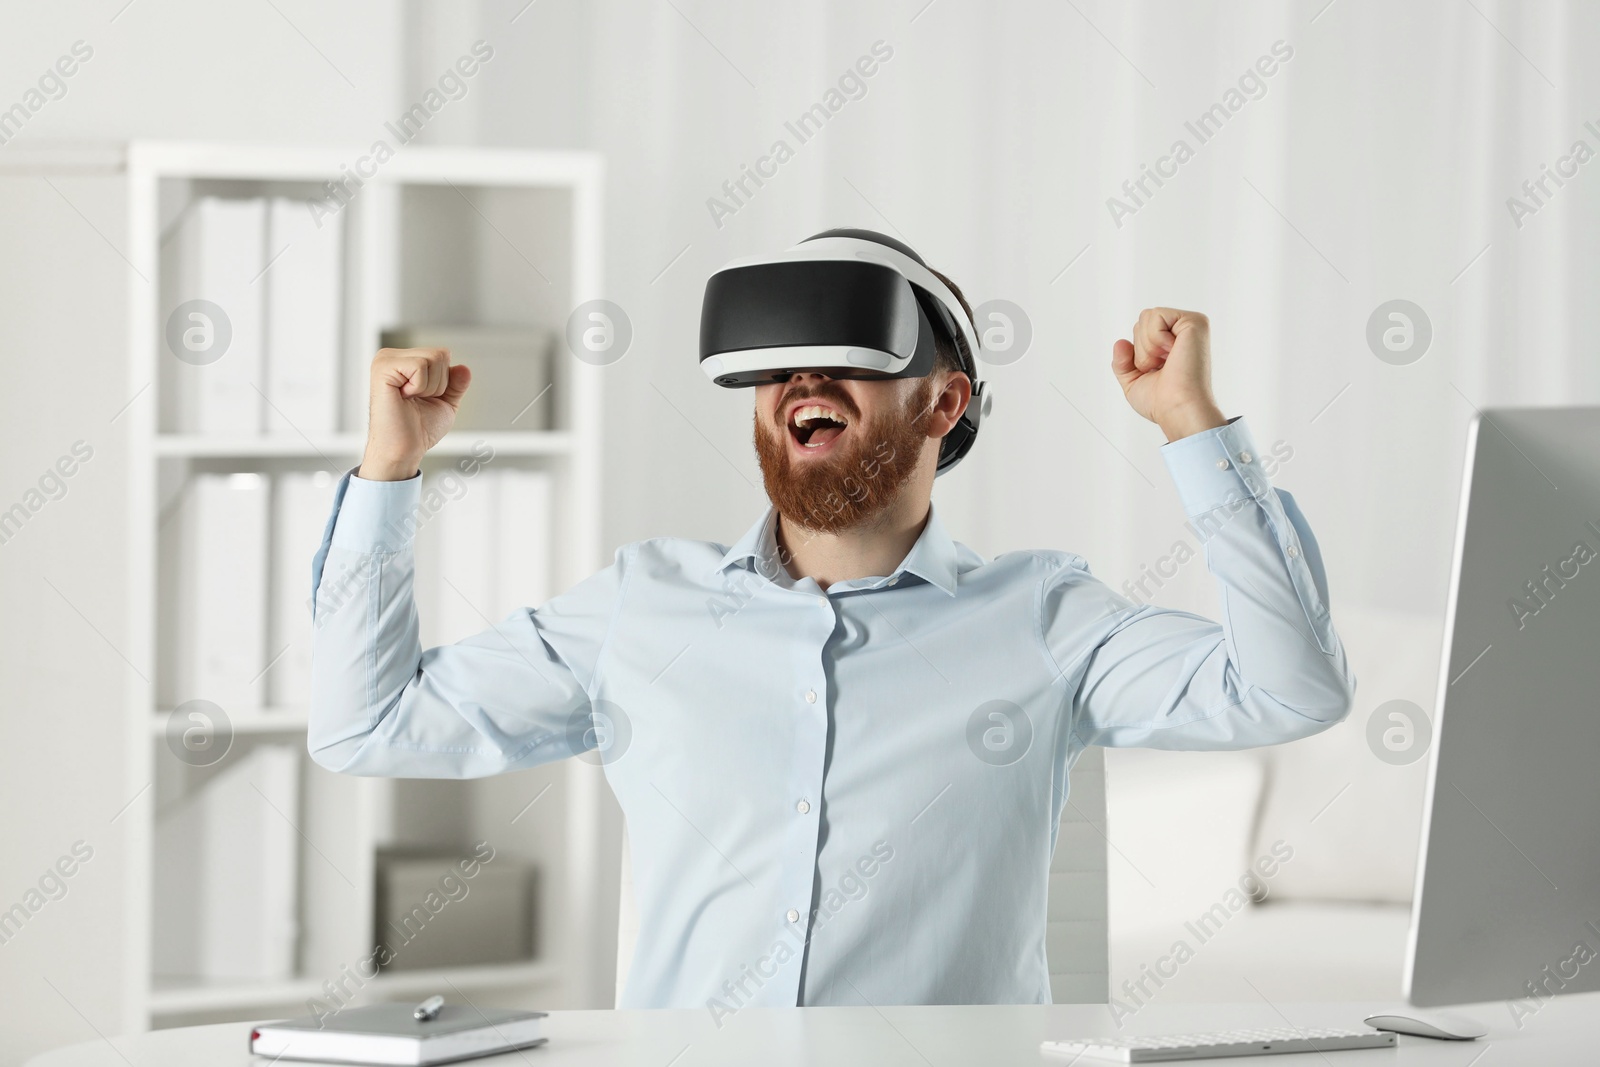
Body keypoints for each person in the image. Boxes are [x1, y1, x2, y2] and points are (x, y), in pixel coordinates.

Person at [307, 249, 1354, 1014]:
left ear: (944, 402)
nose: (800, 380)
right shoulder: (641, 605)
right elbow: (368, 726)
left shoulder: (1042, 617)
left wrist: (1194, 431)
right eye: (774, 367)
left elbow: (1290, 688)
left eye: (837, 354)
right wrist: (390, 470)